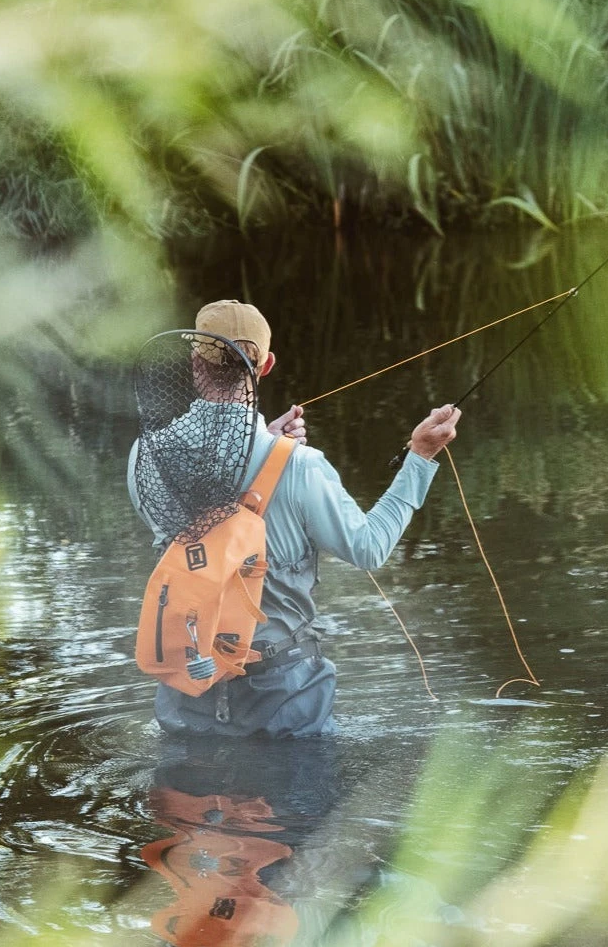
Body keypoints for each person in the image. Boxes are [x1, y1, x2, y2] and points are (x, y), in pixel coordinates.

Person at [128, 299, 460, 739]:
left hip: (185, 685)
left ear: (195, 362)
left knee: (186, 803)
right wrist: (420, 457)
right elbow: (369, 549)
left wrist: (266, 444)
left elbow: (210, 522)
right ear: (265, 365)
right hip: (281, 696)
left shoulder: (143, 456)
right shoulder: (301, 466)